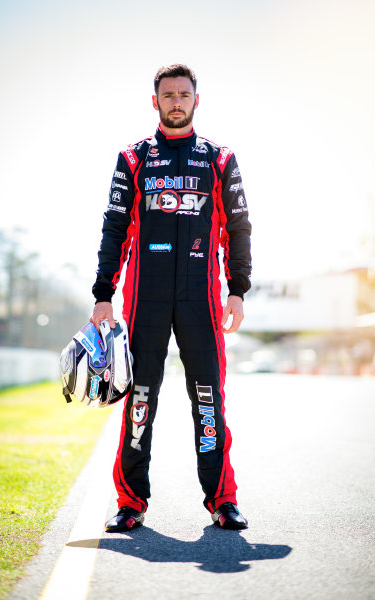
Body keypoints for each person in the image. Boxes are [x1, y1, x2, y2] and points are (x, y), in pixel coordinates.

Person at [90, 64, 252, 532]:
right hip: (147, 300)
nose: (176, 101)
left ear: (196, 100)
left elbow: (238, 229)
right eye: (168, 95)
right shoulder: (133, 158)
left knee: (208, 399)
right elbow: (114, 228)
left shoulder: (219, 159)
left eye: (184, 94)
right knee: (140, 396)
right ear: (155, 101)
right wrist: (105, 293)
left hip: (201, 300)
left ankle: (223, 500)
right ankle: (130, 502)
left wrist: (236, 290)